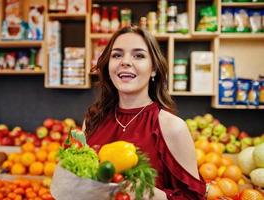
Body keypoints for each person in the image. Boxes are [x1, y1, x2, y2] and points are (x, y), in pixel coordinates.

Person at [84, 26, 206, 200]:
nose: (125, 62)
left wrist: (147, 193)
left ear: (154, 68)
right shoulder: (93, 119)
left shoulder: (172, 127)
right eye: (117, 55)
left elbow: (193, 197)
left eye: (138, 55)